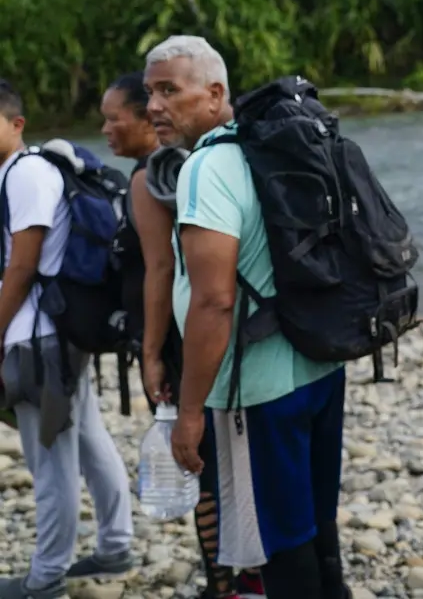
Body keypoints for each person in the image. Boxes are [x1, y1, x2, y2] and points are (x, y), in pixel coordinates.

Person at [142, 36, 348, 599]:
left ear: (214, 94)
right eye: (149, 93)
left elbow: (214, 301)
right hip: (318, 362)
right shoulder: (268, 148)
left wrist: (190, 414)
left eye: (168, 90)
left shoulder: (207, 168)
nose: (154, 106)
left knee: (278, 543)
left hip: (256, 389)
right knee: (315, 524)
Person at [102, 73, 265, 599]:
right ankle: (248, 574)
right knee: (230, 463)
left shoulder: (149, 178)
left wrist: (151, 355)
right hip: (224, 338)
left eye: (115, 117)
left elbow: (158, 270)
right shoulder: (203, 163)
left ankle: (224, 584)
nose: (108, 128)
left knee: (200, 466)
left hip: (182, 342)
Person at [0, 79, 134, 599]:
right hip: (56, 332)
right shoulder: (22, 170)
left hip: (40, 338)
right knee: (87, 437)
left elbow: (22, 265)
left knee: (49, 458)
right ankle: (115, 544)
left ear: (17, 125)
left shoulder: (26, 174)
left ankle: (46, 577)